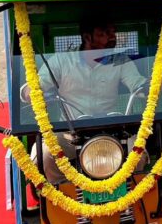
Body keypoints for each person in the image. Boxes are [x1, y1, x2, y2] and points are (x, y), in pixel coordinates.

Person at [30, 15, 147, 181]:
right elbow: (37, 84)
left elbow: (138, 85)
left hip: (113, 131)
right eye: (105, 33)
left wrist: (153, 85)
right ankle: (61, 196)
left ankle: (129, 194)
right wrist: (31, 91)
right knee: (45, 155)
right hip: (70, 134)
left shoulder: (120, 60)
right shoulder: (62, 61)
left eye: (113, 32)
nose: (112, 37)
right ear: (87, 37)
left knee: (139, 153)